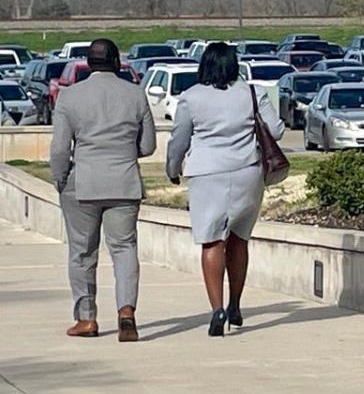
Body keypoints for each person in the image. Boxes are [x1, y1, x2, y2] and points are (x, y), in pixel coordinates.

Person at [165, 43, 284, 337]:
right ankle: (235, 304)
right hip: (247, 172)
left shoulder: (191, 97)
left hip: (207, 173)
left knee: (211, 241)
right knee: (239, 239)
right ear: (234, 65)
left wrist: (173, 167)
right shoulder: (252, 93)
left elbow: (180, 138)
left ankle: (216, 308)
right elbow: (277, 130)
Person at [50, 38, 156, 342]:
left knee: (82, 253)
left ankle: (86, 319)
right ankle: (126, 313)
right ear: (116, 62)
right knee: (124, 249)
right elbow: (147, 146)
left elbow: (59, 149)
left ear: (88, 62)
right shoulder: (135, 94)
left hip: (83, 183)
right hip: (123, 182)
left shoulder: (70, 96)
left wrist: (60, 178)